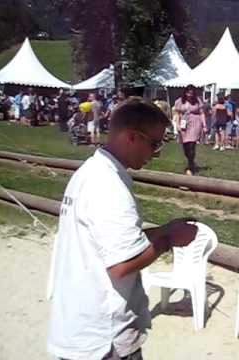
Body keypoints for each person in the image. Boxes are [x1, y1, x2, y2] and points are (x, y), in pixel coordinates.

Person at [47, 98, 198, 360]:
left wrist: (163, 230)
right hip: (104, 339)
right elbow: (121, 265)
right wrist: (169, 241)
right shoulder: (109, 185)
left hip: (80, 326)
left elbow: (111, 243)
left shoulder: (91, 172)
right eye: (155, 143)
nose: (156, 152)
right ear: (131, 137)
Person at [174, 85, 207, 175]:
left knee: (192, 144)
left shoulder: (197, 101)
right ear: (185, 92)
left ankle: (190, 167)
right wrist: (177, 124)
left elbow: (202, 113)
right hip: (183, 123)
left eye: (191, 93)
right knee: (185, 146)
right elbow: (177, 113)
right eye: (188, 93)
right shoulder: (179, 101)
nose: (189, 95)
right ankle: (191, 161)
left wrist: (204, 125)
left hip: (195, 123)